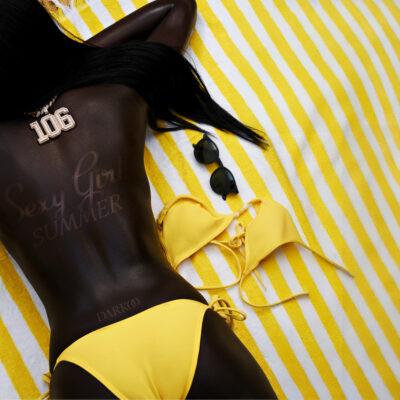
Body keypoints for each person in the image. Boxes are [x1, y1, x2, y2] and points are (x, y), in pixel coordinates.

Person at [0, 0, 276, 398]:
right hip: (179, 321)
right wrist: (76, 65)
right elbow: (176, 8)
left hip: (86, 359)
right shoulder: (113, 92)